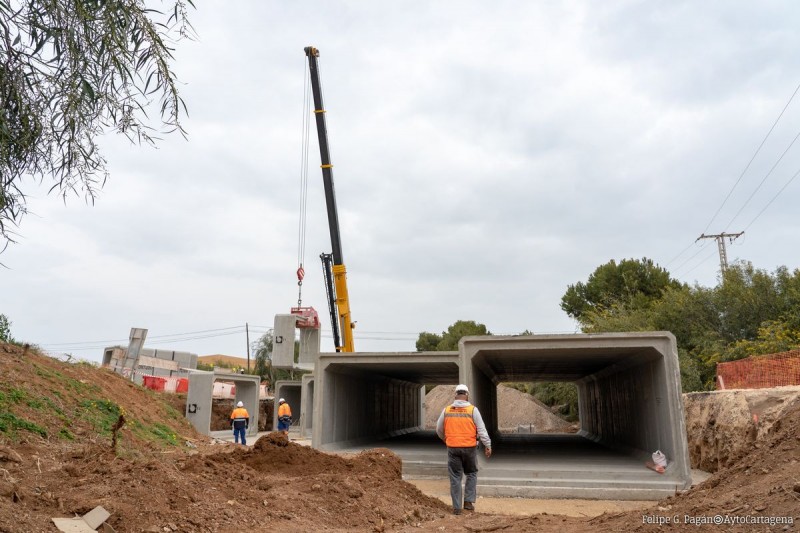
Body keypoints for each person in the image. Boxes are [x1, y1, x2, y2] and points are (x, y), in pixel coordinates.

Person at [436, 384, 492, 515]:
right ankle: (468, 502)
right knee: (471, 473)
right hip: (469, 448)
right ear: (467, 395)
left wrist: (446, 439)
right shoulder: (473, 410)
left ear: (455, 395)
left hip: (453, 448)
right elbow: (482, 430)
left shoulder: (447, 410)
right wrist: (488, 445)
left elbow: (438, 429)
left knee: (455, 477)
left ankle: (456, 508)